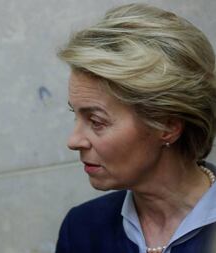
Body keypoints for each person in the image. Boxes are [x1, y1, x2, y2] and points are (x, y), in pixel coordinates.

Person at [56, 3, 216, 253]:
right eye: (74, 115)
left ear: (167, 126)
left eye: (96, 122)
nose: (74, 140)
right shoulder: (82, 230)